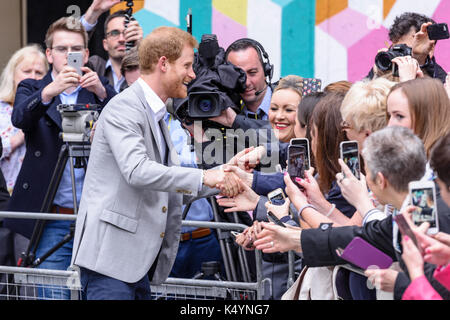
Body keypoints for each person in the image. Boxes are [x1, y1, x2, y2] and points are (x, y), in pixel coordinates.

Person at [70, 26, 241, 300]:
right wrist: (205, 178)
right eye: (186, 65)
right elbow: (137, 171)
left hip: (133, 267)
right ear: (163, 63)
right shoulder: (124, 107)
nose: (192, 74)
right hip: (111, 264)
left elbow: (165, 186)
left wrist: (228, 174)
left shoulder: (156, 114)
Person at [250, 126, 450, 300]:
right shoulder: (417, 206)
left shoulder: (433, 210)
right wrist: (298, 236)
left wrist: (401, 282)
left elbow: (435, 288)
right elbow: (368, 236)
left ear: (380, 180)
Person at [3, 16, 116, 299]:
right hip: (52, 215)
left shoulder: (99, 86)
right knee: (52, 294)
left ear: (87, 54)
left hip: (97, 217)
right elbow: (20, 118)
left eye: (76, 49)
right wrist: (49, 91)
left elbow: (127, 125)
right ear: (50, 54)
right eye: (62, 49)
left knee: (100, 292)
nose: (69, 55)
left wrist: (101, 93)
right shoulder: (32, 87)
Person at [0, 45, 48, 194]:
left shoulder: (49, 109)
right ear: (12, 74)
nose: (33, 77)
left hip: (38, 194)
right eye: (27, 71)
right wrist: (17, 138)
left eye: (39, 72)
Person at [367, 12, 447, 82]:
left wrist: (418, 61)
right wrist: (377, 76)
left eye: (404, 51)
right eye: (395, 49)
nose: (398, 56)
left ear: (430, 51)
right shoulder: (386, 65)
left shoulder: (441, 81)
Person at [86, 9, 144, 93]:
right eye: (114, 33)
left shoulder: (146, 70)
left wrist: (141, 48)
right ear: (105, 44)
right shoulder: (96, 66)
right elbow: (75, 48)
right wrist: (94, 11)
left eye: (127, 33)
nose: (121, 39)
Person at [268, 75, 303, 144]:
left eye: (289, 110)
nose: (279, 116)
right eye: (274, 108)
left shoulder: (317, 153)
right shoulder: (256, 148)